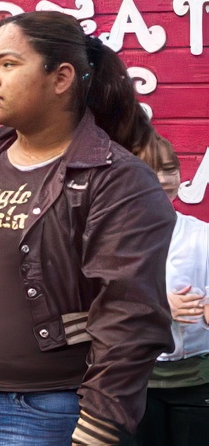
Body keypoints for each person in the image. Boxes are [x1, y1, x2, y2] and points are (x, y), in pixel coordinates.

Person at [0, 11, 176, 446]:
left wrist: (101, 423)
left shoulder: (116, 179)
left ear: (61, 77)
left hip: (45, 413)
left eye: (8, 64)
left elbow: (132, 313)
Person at [134, 133, 209, 446]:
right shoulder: (104, 239)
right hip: (130, 383)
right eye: (150, 171)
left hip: (198, 382)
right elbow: (88, 303)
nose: (163, 180)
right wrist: (158, 306)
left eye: (169, 170)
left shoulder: (202, 235)